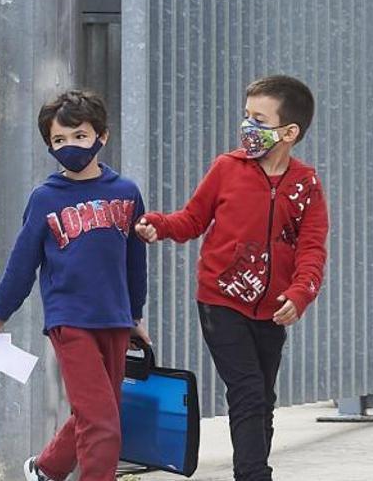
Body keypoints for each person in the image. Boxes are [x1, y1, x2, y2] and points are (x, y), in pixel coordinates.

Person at [135, 75, 328, 481]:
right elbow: (191, 220)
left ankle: (253, 468)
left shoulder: (305, 185)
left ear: (289, 132)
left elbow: (312, 247)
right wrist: (158, 225)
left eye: (259, 118)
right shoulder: (227, 168)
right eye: (246, 116)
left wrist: (300, 293)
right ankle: (254, 475)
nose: (247, 127)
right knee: (247, 391)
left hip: (274, 309)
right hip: (220, 300)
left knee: (263, 397)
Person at [0, 90, 150, 481]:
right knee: (103, 421)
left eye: (79, 136)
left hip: (117, 319)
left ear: (101, 137)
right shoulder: (45, 198)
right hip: (69, 321)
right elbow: (23, 261)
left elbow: (134, 261)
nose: (69, 146)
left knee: (98, 411)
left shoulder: (126, 193)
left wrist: (136, 313)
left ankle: (47, 469)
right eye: (59, 140)